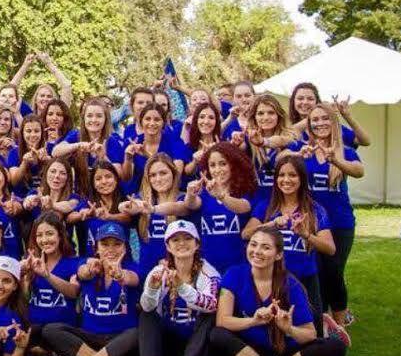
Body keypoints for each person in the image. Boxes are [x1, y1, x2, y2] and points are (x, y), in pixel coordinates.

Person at [211, 227, 346, 356]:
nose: (257, 251)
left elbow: (310, 334)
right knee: (217, 335)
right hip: (250, 352)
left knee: (336, 346)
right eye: (253, 245)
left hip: (286, 352)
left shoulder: (291, 284)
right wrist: (253, 321)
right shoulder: (233, 275)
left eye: (265, 247)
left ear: (279, 255)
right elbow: (222, 321)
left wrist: (289, 329)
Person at [244, 156, 337, 338]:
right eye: (281, 175)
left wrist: (306, 234)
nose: (286, 180)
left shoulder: (315, 210)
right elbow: (246, 234)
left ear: (302, 179)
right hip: (272, 279)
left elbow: (330, 248)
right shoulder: (267, 207)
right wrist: (270, 225)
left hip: (305, 278)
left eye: (292, 175)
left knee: (312, 333)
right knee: (269, 329)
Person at [298, 104, 364, 327]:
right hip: (311, 223)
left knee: (334, 272)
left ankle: (340, 322)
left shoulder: (345, 151)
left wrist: (335, 160)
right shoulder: (303, 150)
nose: (320, 123)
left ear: (333, 122)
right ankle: (322, 321)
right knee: (316, 272)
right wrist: (298, 154)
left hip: (340, 223)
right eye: (314, 120)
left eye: (325, 118)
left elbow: (358, 171)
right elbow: (282, 161)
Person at [44, 222, 140, 356]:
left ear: (125, 247)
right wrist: (88, 271)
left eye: (117, 244)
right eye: (105, 244)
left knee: (137, 333)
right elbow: (82, 272)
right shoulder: (90, 266)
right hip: (89, 338)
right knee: (51, 330)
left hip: (119, 337)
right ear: (96, 248)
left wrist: (121, 275)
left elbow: (132, 278)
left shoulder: (133, 267)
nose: (111, 249)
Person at [137, 220, 220, 356]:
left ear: (196, 244)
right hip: (170, 342)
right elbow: (147, 306)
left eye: (187, 238)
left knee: (210, 316)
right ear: (168, 246)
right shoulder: (159, 271)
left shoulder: (209, 273)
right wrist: (152, 288)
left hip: (197, 344)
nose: (182, 243)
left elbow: (211, 304)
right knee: (147, 314)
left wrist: (182, 287)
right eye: (175, 240)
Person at [183, 142, 255, 274]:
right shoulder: (205, 193)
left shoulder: (244, 191)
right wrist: (190, 194)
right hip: (207, 270)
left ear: (233, 165)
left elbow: (244, 207)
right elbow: (191, 204)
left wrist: (222, 196)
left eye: (223, 164)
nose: (217, 170)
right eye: (212, 165)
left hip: (239, 268)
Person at [121, 155, 190, 278]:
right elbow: (122, 207)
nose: (158, 179)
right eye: (153, 175)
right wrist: (129, 207)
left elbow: (180, 207)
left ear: (173, 174)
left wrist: (153, 209)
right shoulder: (143, 199)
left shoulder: (184, 198)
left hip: (178, 271)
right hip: (147, 272)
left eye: (163, 173)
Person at [21, 212, 79, 348]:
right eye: (39, 235)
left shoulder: (73, 262)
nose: (44, 240)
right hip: (35, 324)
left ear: (60, 235)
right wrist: (25, 277)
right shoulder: (31, 262)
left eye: (49, 233)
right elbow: (23, 298)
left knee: (50, 333)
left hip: (60, 326)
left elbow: (74, 291)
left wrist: (47, 275)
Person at [121, 105, 192, 194]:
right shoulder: (132, 142)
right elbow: (126, 177)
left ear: (163, 122)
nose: (152, 123)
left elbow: (177, 174)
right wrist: (128, 158)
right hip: (141, 193)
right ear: (141, 121)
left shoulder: (174, 141)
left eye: (157, 119)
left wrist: (147, 155)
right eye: (147, 119)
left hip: (170, 193)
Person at [288, 82, 370, 148]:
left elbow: (365, 141)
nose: (305, 102)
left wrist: (347, 116)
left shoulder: (329, 126)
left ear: (317, 102)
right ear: (293, 101)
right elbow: (289, 133)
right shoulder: (285, 124)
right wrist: (318, 113)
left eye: (310, 99)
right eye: (300, 98)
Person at [77, 161, 131, 257]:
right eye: (98, 179)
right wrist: (84, 214)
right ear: (93, 184)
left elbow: (130, 217)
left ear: (116, 179)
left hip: (123, 261)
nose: (104, 181)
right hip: (93, 262)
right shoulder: (88, 203)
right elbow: (69, 217)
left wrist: (111, 216)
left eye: (108, 177)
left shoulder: (125, 201)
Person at [9, 114, 49, 197]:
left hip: (43, 199)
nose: (33, 135)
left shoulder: (49, 149)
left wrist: (47, 161)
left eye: (37, 131)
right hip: (20, 199)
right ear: (22, 133)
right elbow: (13, 181)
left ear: (42, 133)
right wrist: (24, 163)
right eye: (28, 131)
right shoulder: (14, 152)